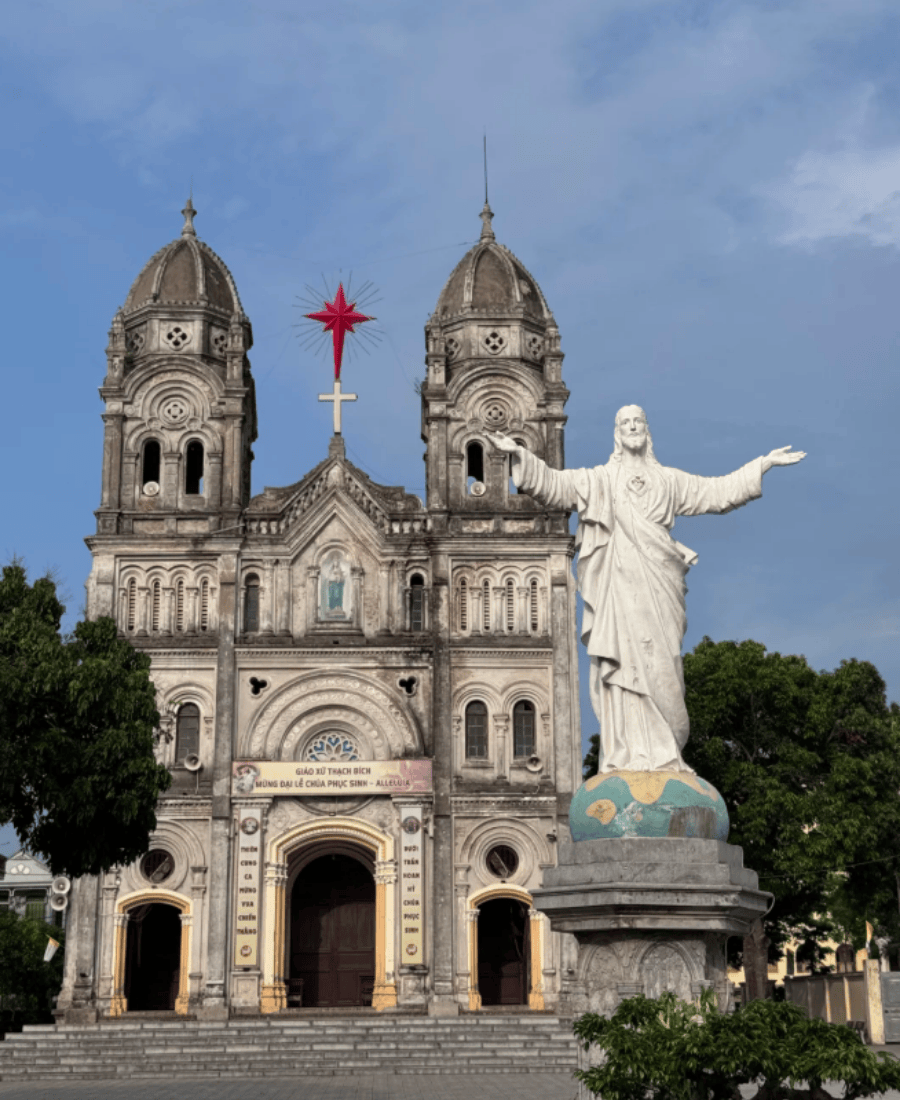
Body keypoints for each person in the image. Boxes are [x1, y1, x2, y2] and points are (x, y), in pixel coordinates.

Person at [489, 406, 805, 773]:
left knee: (663, 664)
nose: (632, 426)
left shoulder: (669, 480)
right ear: (617, 433)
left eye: (638, 421)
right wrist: (520, 455)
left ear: (647, 430)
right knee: (624, 664)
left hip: (660, 583)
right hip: (618, 588)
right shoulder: (599, 480)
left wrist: (762, 465)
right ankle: (627, 754)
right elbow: (555, 485)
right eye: (625, 422)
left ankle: (666, 752)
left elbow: (717, 493)